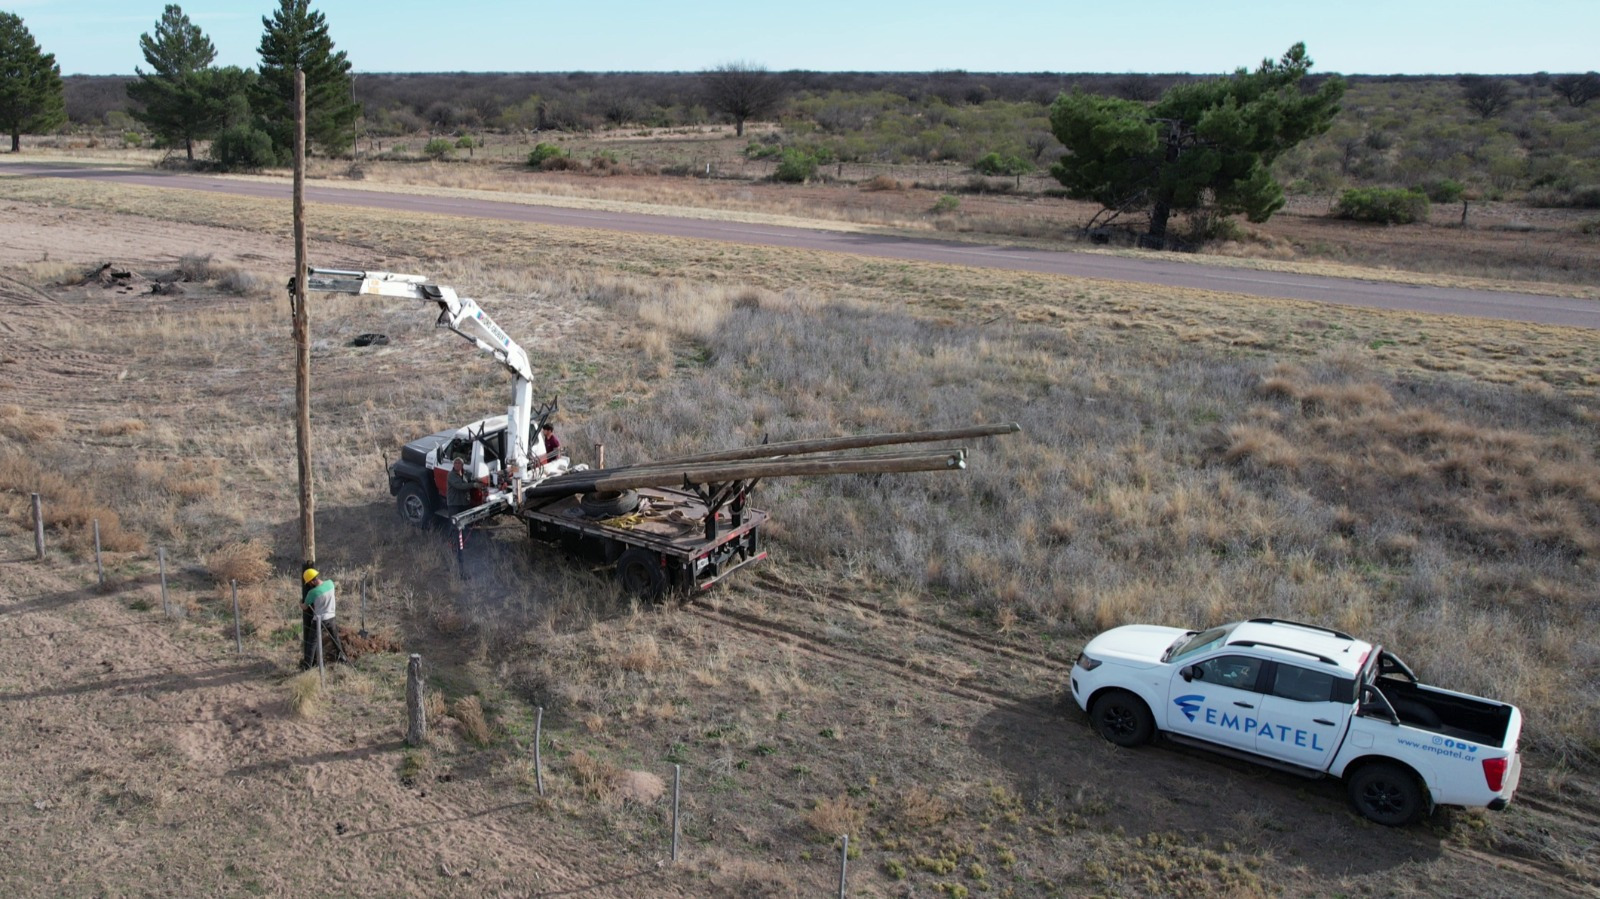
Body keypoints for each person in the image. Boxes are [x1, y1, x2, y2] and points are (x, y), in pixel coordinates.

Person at [301, 568, 348, 668]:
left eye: (308, 583)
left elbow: (305, 607)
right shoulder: (330, 583)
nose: (309, 585)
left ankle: (307, 666)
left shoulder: (312, 593)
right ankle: (342, 658)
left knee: (312, 643)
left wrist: (300, 603)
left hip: (319, 620)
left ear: (311, 581)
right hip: (331, 617)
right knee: (335, 638)